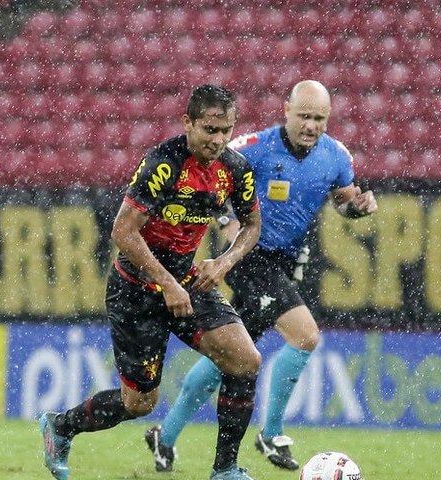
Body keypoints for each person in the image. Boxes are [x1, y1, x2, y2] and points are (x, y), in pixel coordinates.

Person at [144, 80, 378, 472]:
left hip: (285, 263)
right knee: (305, 335)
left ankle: (164, 436)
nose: (310, 125)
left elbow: (344, 200)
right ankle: (270, 434)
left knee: (233, 356)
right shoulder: (255, 148)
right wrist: (225, 223)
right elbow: (211, 174)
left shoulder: (336, 156)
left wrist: (357, 208)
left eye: (319, 118)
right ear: (286, 110)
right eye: (304, 115)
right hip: (249, 259)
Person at [39, 84, 263, 480]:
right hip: (136, 289)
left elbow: (252, 225)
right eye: (210, 129)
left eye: (226, 130)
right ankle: (61, 427)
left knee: (245, 360)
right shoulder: (164, 164)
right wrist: (167, 284)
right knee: (139, 402)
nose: (218, 139)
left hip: (188, 283)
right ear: (188, 123)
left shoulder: (236, 169)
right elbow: (123, 231)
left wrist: (225, 262)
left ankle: (225, 470)